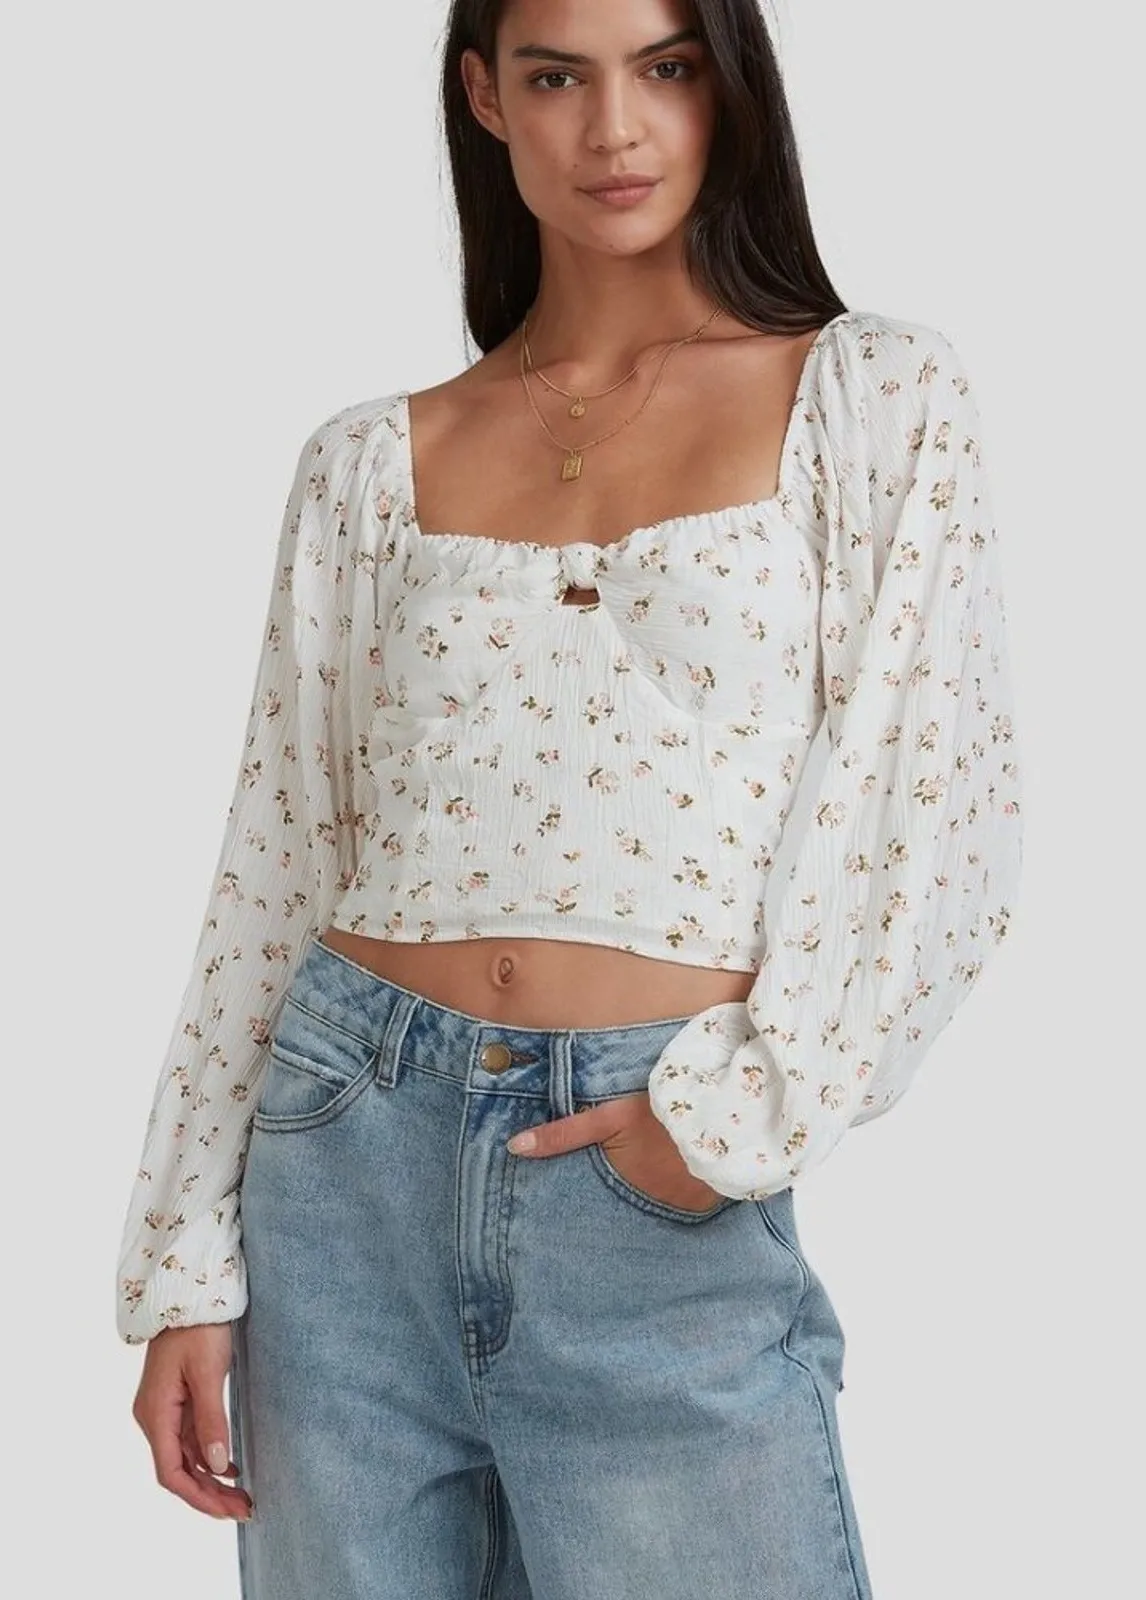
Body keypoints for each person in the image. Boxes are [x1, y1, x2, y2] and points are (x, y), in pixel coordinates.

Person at [118, 1, 1023, 1595]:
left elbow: (934, 813)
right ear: (486, 97)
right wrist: (186, 1259)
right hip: (341, 1166)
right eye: (557, 76)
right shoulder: (367, 462)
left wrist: (718, 1128)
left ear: (726, 87)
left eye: (664, 69)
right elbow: (278, 858)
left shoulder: (872, 398)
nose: (614, 129)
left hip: (645, 1158)